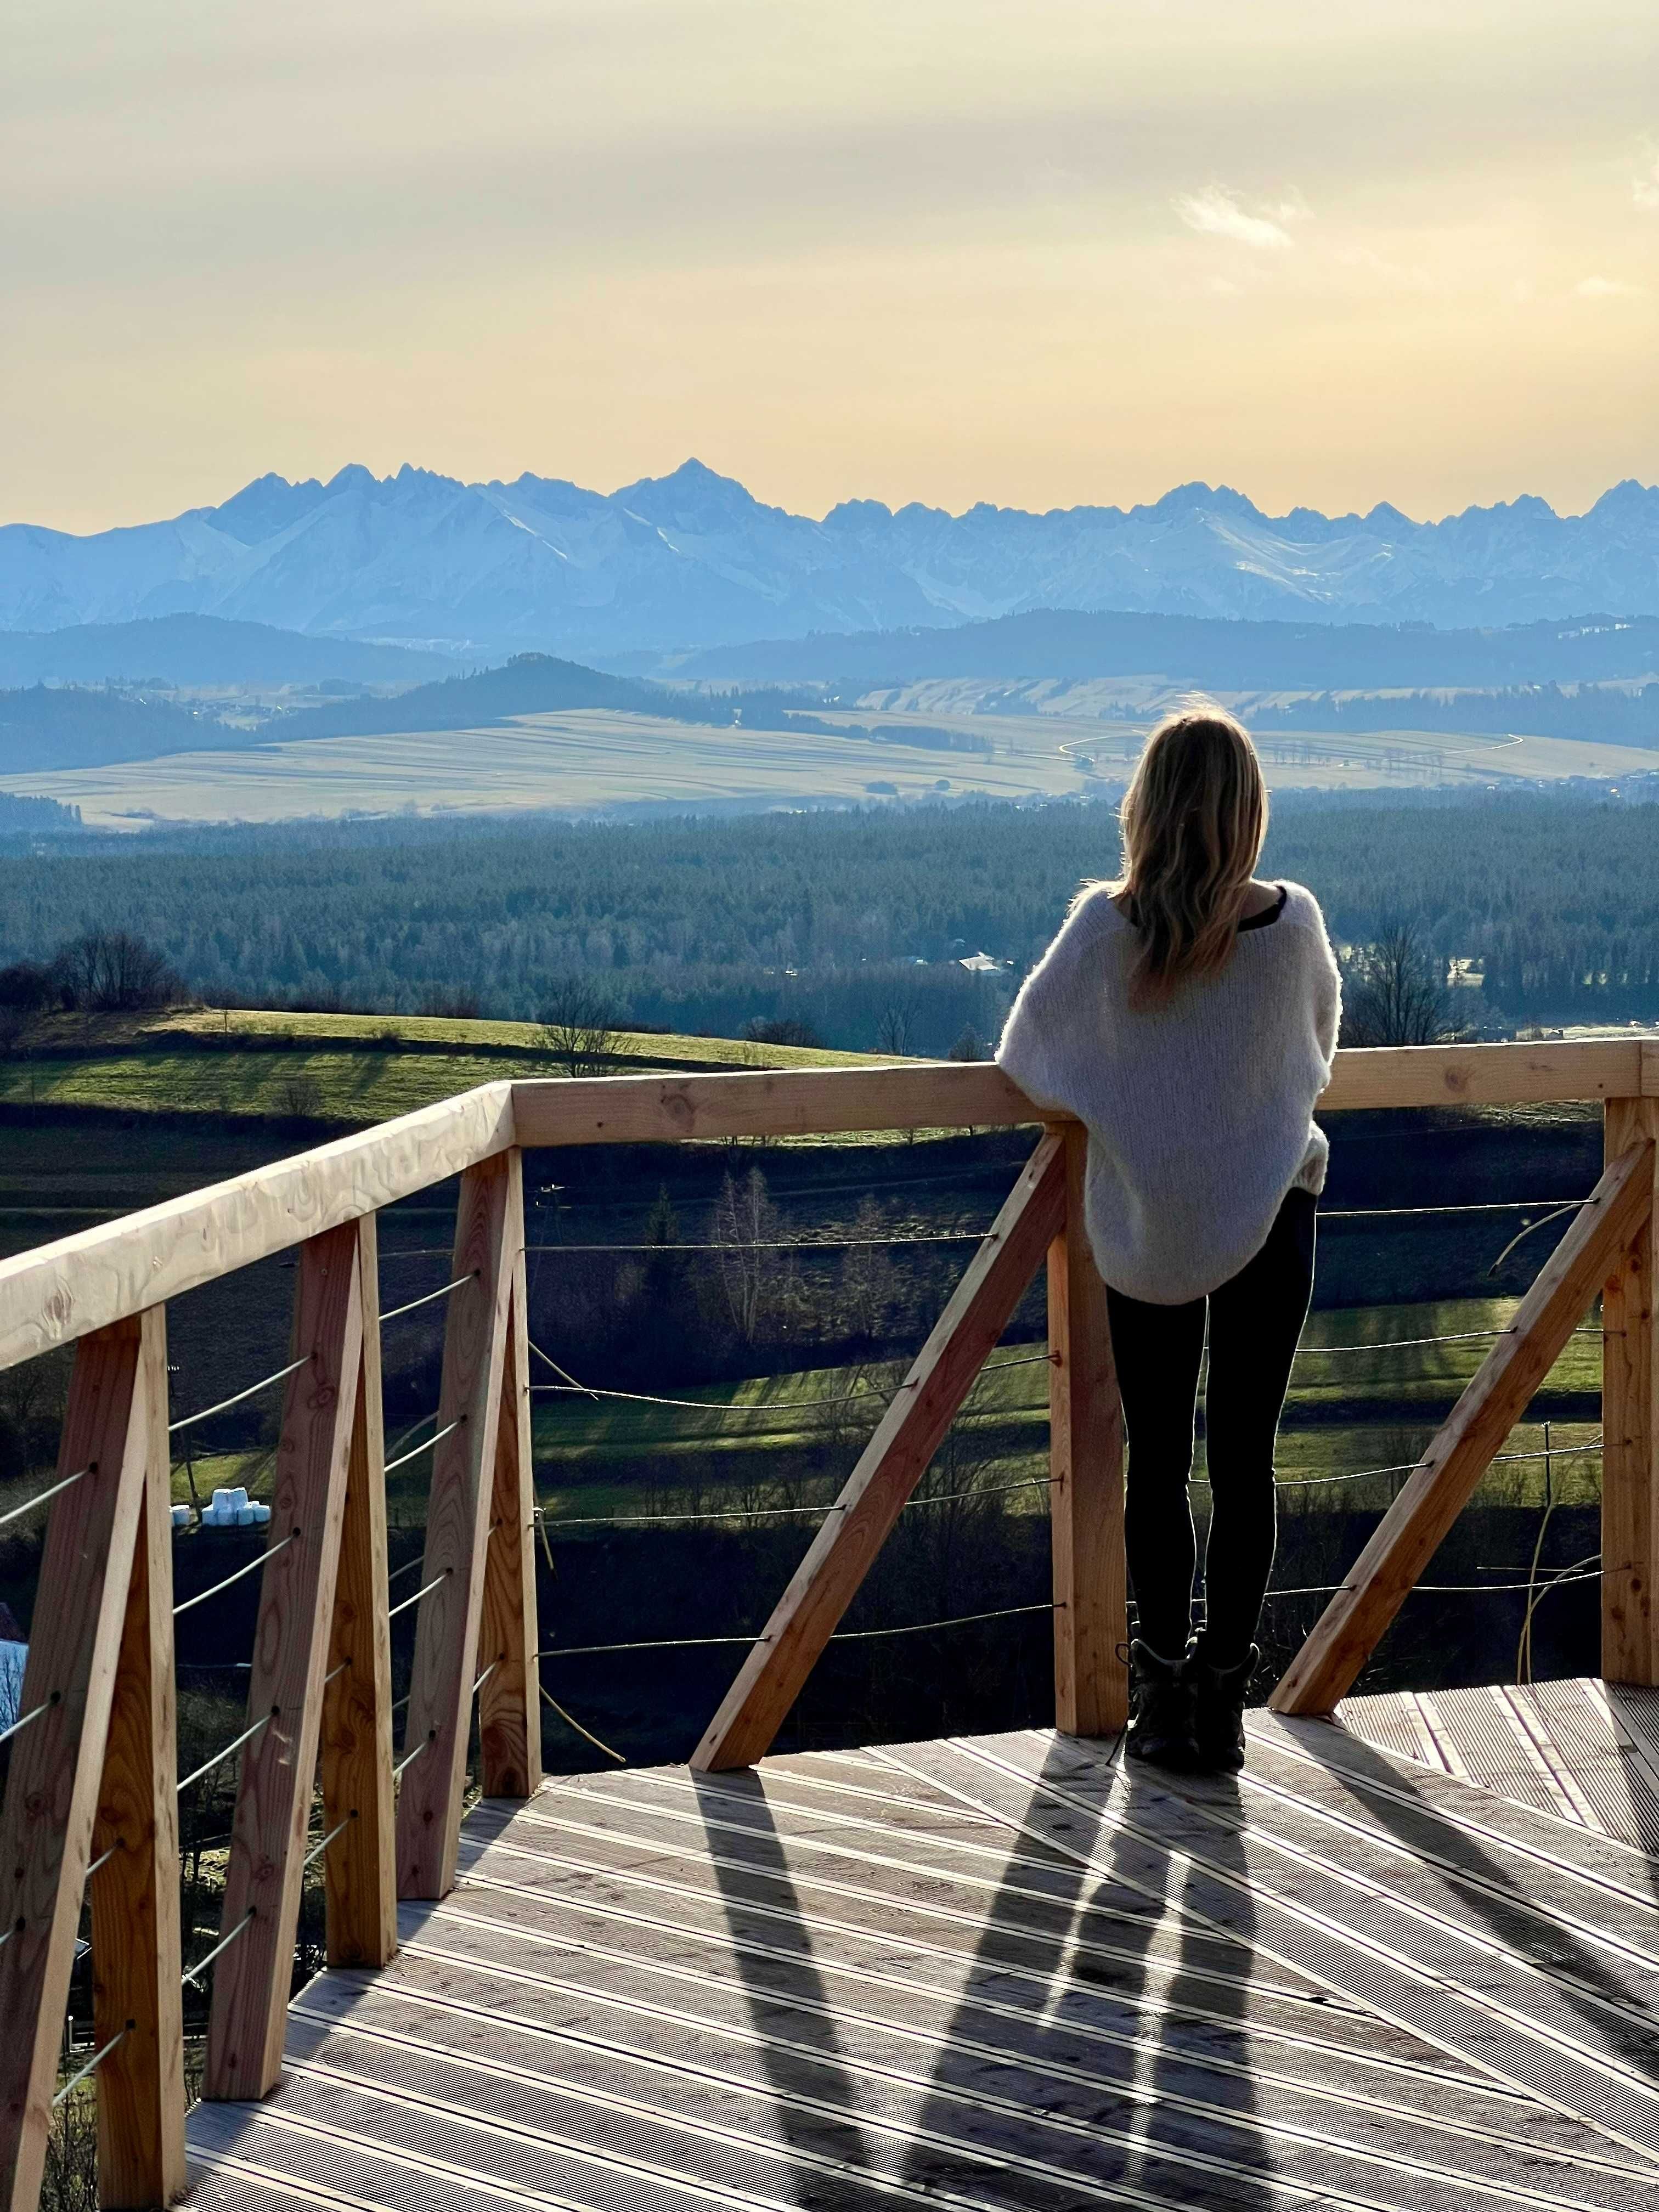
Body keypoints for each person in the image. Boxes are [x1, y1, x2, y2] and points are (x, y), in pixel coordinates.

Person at [997, 704, 1340, 1772]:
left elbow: (1028, 1055)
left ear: (1144, 809)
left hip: (1148, 1226)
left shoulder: (1108, 929)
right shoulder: (1293, 929)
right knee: (1246, 1463)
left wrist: (1129, 1102)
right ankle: (1225, 1700)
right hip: (1274, 1216)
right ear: (1247, 814)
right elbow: (1317, 1055)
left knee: (1156, 1463)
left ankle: (1157, 1695)